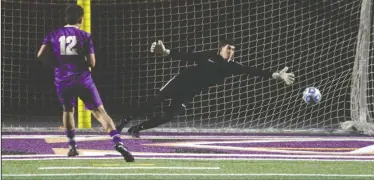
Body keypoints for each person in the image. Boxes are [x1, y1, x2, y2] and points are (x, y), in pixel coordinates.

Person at [117, 39, 295, 138]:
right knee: (152, 103)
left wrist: (275, 75)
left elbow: (252, 71)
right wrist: (166, 52)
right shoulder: (207, 56)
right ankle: (124, 122)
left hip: (188, 93)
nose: (230, 52)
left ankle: (137, 128)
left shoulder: (232, 66)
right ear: (220, 49)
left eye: (233, 50)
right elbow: (187, 56)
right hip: (178, 83)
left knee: (169, 116)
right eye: (228, 49)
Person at [37, 4, 134, 162]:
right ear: (81, 19)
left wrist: (57, 64)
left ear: (66, 18)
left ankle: (72, 147)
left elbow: (40, 54)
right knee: (100, 112)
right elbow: (92, 62)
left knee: (68, 110)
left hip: (62, 79)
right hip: (82, 78)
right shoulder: (85, 35)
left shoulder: (53, 34)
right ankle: (118, 143)